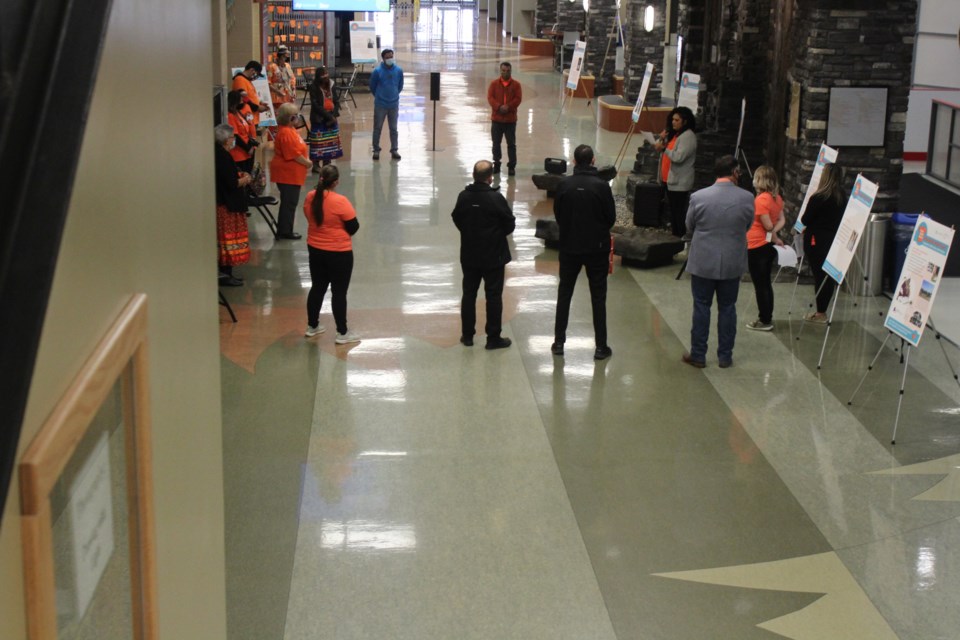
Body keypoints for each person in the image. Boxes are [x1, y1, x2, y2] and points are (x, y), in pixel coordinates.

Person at [681, 155, 754, 369]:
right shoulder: (747, 198)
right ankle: (725, 356)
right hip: (732, 260)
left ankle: (698, 355)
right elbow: (747, 225)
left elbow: (689, 225)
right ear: (734, 172)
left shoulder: (699, 197)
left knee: (702, 306)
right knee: (728, 307)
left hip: (703, 259)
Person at [552, 144, 616, 360]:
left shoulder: (564, 185)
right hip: (596, 248)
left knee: (565, 293)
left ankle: (559, 342)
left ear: (574, 161)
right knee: (598, 296)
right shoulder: (601, 186)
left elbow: (559, 214)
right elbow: (610, 218)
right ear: (593, 161)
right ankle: (601, 346)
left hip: (570, 246)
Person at [452, 160, 516, 350]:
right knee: (494, 295)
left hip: (470, 254)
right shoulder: (496, 199)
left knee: (469, 294)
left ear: (473, 175)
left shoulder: (463, 197)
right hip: (494, 255)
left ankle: (468, 335)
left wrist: (470, 232)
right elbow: (509, 224)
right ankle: (493, 337)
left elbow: (457, 218)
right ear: (490, 178)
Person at [303, 165, 361, 344]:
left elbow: (309, 216)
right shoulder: (340, 201)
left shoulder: (310, 197)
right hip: (339, 253)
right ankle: (342, 333)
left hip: (315, 249)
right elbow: (353, 226)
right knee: (339, 292)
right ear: (336, 182)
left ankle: (312, 326)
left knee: (317, 287)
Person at [800, 162, 845, 324]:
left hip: (816, 241)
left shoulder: (818, 197)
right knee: (827, 276)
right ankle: (822, 310)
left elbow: (805, 219)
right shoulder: (842, 197)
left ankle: (820, 313)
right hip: (833, 240)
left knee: (819, 275)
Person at [745, 165, 785, 331]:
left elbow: (767, 225)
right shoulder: (777, 198)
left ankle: (764, 320)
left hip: (756, 245)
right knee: (766, 283)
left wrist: (773, 236)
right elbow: (781, 220)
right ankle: (767, 316)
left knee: (760, 285)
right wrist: (773, 235)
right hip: (766, 245)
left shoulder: (761, 200)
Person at [214, 124, 252, 286]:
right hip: (227, 205)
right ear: (225, 139)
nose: (233, 140)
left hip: (224, 202)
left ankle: (226, 273)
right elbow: (230, 183)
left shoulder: (219, 154)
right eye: (231, 138)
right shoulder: (222, 156)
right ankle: (226, 274)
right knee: (228, 241)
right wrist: (245, 179)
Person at [269, 103, 312, 240]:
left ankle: (285, 228)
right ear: (290, 118)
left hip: (292, 174)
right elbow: (293, 154)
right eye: (296, 116)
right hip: (287, 175)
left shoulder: (290, 130)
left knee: (290, 203)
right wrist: (308, 163)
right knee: (289, 203)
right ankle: (285, 231)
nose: (299, 118)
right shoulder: (286, 133)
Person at [654, 106, 698, 238]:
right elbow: (659, 147)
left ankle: (680, 238)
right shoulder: (675, 135)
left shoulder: (688, 137)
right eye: (672, 119)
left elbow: (678, 157)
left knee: (678, 213)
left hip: (680, 182)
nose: (673, 122)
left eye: (677, 120)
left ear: (685, 121)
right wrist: (661, 138)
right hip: (669, 179)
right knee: (673, 212)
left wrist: (664, 149)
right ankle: (675, 236)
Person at [487, 62, 522, 177]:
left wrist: (509, 107)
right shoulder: (493, 84)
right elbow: (490, 98)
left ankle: (512, 166)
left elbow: (518, 99)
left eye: (508, 71)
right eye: (503, 71)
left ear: (511, 71)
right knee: (496, 143)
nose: (505, 73)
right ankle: (496, 163)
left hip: (510, 121)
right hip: (497, 120)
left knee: (511, 144)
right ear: (500, 71)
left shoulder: (516, 85)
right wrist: (498, 107)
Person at [369, 48, 403, 161]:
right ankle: (376, 150)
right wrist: (380, 96)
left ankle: (394, 150)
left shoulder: (398, 70)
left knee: (393, 129)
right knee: (377, 128)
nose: (390, 59)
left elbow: (400, 86)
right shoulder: (377, 72)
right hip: (380, 105)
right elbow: (372, 87)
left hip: (393, 105)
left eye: (391, 56)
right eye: (387, 57)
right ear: (383, 58)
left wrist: (393, 96)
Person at [307, 66, 344, 173]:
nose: (325, 77)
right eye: (323, 76)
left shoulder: (331, 85)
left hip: (331, 118)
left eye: (326, 75)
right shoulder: (313, 87)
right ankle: (316, 165)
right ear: (318, 77)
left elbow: (336, 101)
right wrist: (328, 116)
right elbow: (315, 105)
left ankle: (327, 164)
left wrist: (334, 114)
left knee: (330, 142)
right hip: (319, 118)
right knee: (318, 143)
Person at [227, 90, 259, 174]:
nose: (242, 103)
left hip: (246, 152)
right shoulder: (230, 116)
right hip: (239, 153)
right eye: (240, 101)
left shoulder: (238, 113)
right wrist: (247, 148)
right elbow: (235, 135)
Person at [231, 61, 270, 126]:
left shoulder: (247, 81)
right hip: (246, 118)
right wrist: (257, 107)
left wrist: (259, 103)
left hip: (251, 119)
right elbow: (243, 98)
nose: (255, 76)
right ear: (252, 70)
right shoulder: (240, 80)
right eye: (256, 74)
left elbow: (250, 96)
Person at [267, 45, 297, 112]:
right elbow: (268, 82)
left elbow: (292, 79)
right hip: (277, 95)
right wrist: (277, 91)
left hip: (288, 93)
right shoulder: (271, 67)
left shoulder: (287, 66)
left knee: (289, 112)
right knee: (279, 113)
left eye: (286, 57)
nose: (285, 59)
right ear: (279, 56)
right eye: (283, 57)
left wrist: (293, 89)